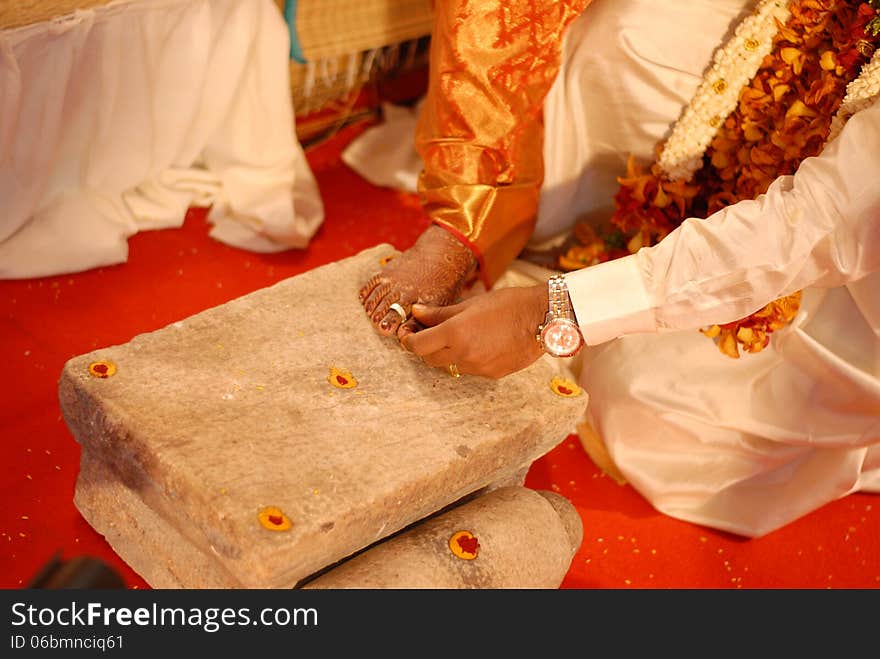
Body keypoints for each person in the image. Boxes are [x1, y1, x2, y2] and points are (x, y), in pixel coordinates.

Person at [357, 0, 880, 538]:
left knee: (644, 400)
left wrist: (553, 314)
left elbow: (816, 222)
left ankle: (602, 286)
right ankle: (489, 215)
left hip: (853, 269)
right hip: (811, 26)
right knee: (623, 39)